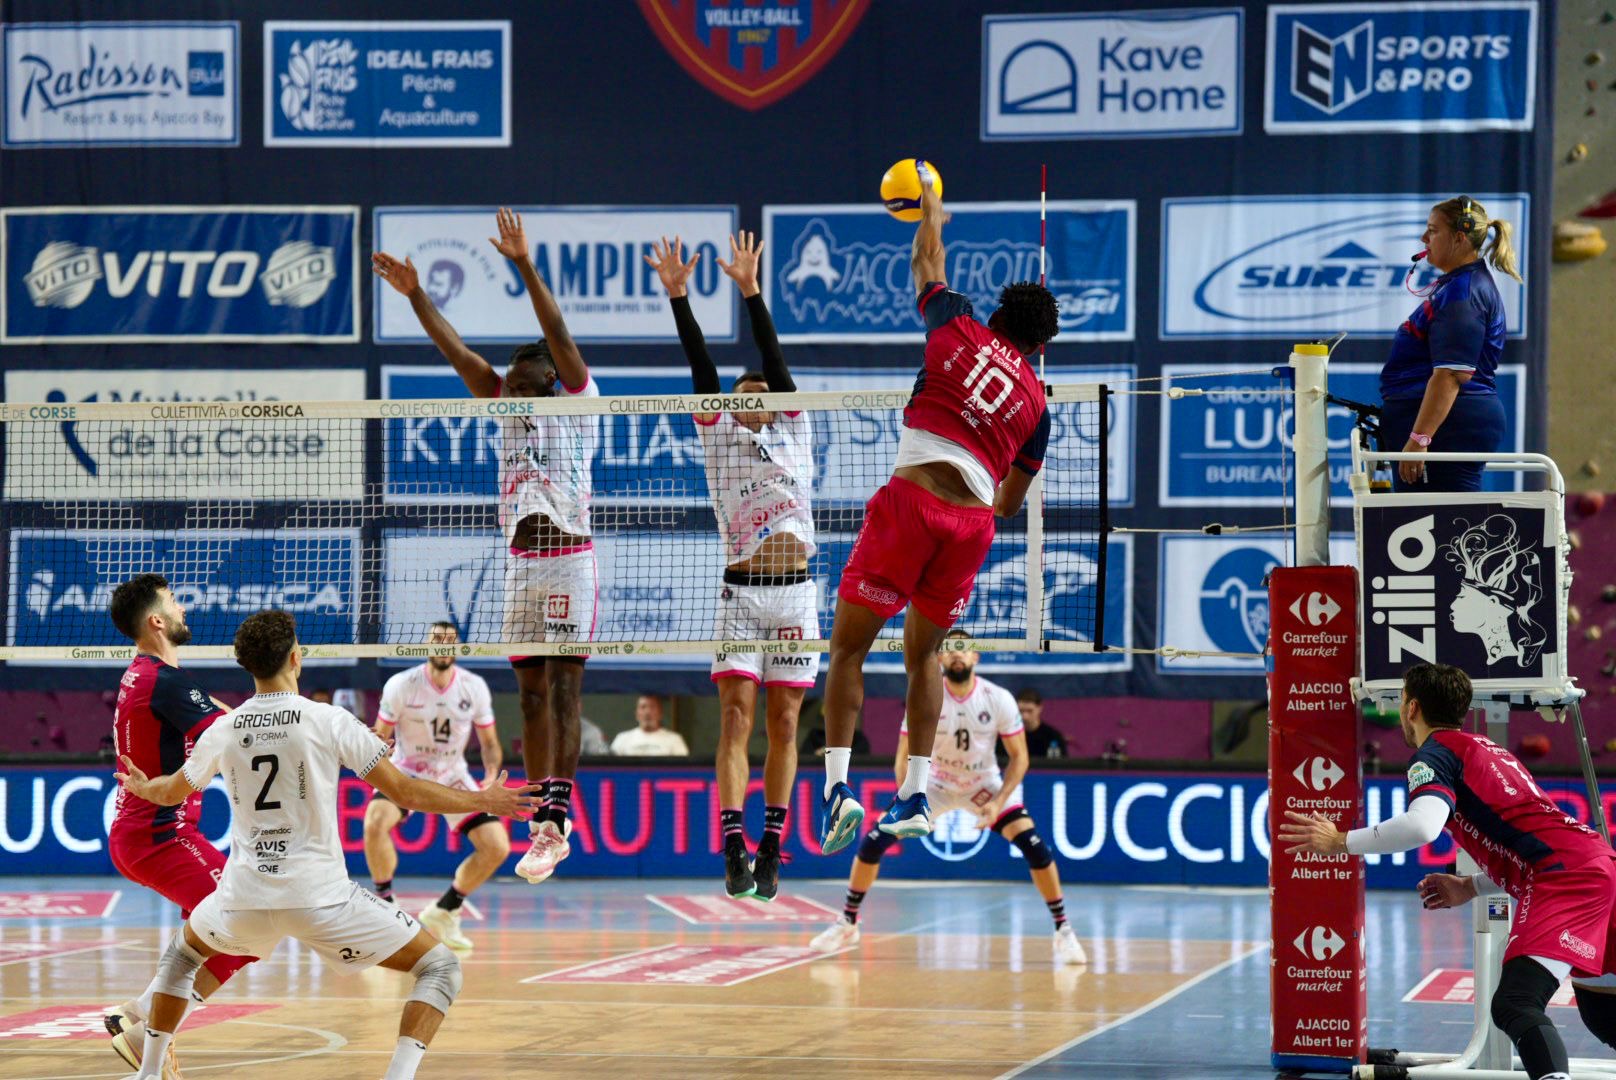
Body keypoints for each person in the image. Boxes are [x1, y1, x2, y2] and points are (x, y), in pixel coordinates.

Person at [111, 609, 540, 1080]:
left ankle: (149, 1073)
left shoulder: (223, 729)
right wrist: (482, 800)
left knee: (182, 956)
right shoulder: (329, 720)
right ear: (297, 658)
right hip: (322, 899)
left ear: (245, 665)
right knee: (440, 968)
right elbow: (406, 792)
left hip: (244, 898)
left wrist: (141, 787)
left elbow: (171, 791)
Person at [818, 162, 1060, 854]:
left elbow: (926, 259)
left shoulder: (955, 323)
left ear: (996, 317)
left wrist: (931, 211)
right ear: (1039, 346)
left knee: (847, 650)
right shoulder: (1038, 405)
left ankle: (839, 788)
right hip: (971, 526)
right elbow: (1011, 504)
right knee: (922, 658)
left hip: (914, 503)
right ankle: (914, 795)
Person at [375, 207, 598, 886]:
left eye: (524, 382)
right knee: (530, 695)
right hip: (519, 566)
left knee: (563, 688)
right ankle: (544, 824)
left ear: (551, 380)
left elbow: (556, 331)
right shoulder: (502, 402)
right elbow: (457, 353)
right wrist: (417, 296)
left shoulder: (579, 400)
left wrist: (524, 264)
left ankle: (554, 822)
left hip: (569, 559)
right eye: (509, 383)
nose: (511, 390)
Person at [1280, 663, 1616, 1080]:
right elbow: (1528, 842)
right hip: (1595, 865)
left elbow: (1422, 826)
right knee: (1604, 1010)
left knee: (1515, 1003)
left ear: (1411, 707)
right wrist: (1471, 886)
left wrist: (1340, 842)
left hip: (1567, 878)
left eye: (1402, 698)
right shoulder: (1487, 750)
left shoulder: (1434, 755)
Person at [645, 230, 815, 901]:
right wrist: (680, 298)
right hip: (742, 593)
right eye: (742, 392)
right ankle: (732, 841)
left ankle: (772, 842)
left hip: (797, 595)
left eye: (760, 390)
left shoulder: (796, 429)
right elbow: (702, 369)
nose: (750, 396)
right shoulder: (718, 439)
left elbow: (774, 358)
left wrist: (752, 290)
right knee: (737, 720)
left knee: (782, 725)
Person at [809, 633, 1087, 966]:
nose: (957, 654)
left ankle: (1063, 930)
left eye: (964, 648)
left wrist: (998, 802)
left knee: (1034, 846)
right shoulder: (924, 697)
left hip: (981, 785)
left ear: (976, 658)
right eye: (949, 649)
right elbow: (902, 758)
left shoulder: (997, 698)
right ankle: (847, 922)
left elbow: (1020, 758)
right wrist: (908, 799)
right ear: (939, 658)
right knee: (872, 843)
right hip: (933, 785)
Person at [102, 573, 253, 1078]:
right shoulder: (164, 681)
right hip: (158, 837)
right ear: (157, 621)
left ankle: (141, 1016)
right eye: (173, 602)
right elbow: (236, 732)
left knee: (229, 929)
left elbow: (221, 719)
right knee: (245, 923)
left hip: (149, 833)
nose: (183, 608)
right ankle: (144, 1023)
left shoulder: (147, 675)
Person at [363, 622, 507, 953]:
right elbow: (381, 733)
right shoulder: (402, 684)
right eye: (436, 640)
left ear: (458, 647)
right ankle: (386, 905)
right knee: (374, 822)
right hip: (408, 769)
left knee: (496, 846)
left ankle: (446, 909)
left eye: (449, 641)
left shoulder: (474, 687)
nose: (443, 646)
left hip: (452, 772)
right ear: (427, 644)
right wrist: (378, 746)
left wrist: (490, 773)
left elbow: (489, 743)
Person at [1380, 196, 1522, 492]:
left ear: (1458, 238)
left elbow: (1451, 375)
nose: (1424, 238)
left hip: (1449, 427)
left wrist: (1420, 438)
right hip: (1446, 425)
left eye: (1432, 231)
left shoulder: (1463, 292)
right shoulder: (1459, 286)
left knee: (1448, 529)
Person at [610, 694, 690, 756]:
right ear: (637, 714)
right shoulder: (622, 739)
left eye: (652, 707)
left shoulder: (675, 740)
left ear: (660, 713)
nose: (647, 712)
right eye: (643, 707)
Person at [1015, 688, 1066, 758]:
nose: (1025, 716)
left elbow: (1062, 766)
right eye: (1021, 711)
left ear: (1039, 708)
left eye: (1029, 711)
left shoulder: (1053, 737)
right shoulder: (1009, 736)